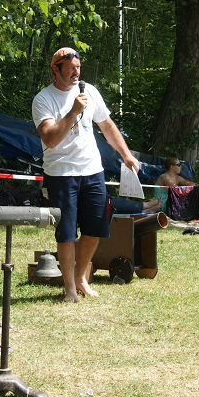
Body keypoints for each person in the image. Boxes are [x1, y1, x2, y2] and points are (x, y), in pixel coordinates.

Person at [32, 47, 139, 303]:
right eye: (70, 70)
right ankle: (69, 287)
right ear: (55, 71)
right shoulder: (43, 99)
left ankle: (81, 277)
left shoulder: (89, 90)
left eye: (78, 68)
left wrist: (126, 155)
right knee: (66, 232)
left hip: (93, 171)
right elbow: (50, 139)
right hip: (61, 174)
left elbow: (107, 125)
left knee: (95, 228)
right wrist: (72, 112)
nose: (76, 74)